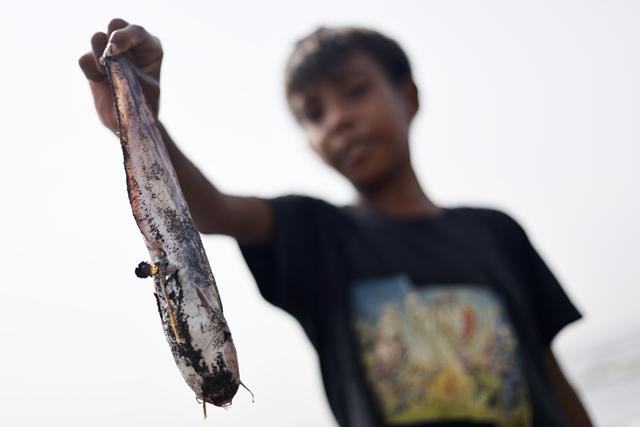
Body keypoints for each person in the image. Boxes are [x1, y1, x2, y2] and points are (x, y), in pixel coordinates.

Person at [80, 18, 594, 427]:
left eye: (355, 91)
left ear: (408, 96)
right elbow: (211, 209)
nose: (339, 120)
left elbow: (551, 375)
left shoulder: (496, 232)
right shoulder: (312, 232)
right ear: (308, 140)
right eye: (314, 113)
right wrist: (142, 118)